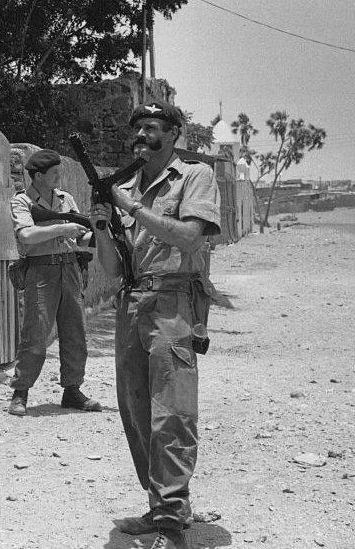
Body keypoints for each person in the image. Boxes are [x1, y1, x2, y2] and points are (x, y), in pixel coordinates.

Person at [90, 100, 221, 549]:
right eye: (138, 129)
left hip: (173, 301)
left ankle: (171, 524)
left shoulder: (195, 177)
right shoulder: (124, 185)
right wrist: (104, 226)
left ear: (173, 134)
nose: (142, 136)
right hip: (132, 302)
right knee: (137, 411)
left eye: (152, 127)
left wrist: (131, 207)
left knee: (172, 413)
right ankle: (159, 506)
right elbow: (110, 269)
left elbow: (188, 236)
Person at [6, 149, 102, 416]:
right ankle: (21, 391)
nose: (60, 176)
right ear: (38, 176)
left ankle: (72, 390)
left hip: (70, 268)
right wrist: (63, 228)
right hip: (41, 272)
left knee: (75, 332)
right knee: (35, 334)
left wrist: (95, 234)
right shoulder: (22, 202)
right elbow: (26, 235)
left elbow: (79, 238)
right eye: (54, 173)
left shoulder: (66, 198)